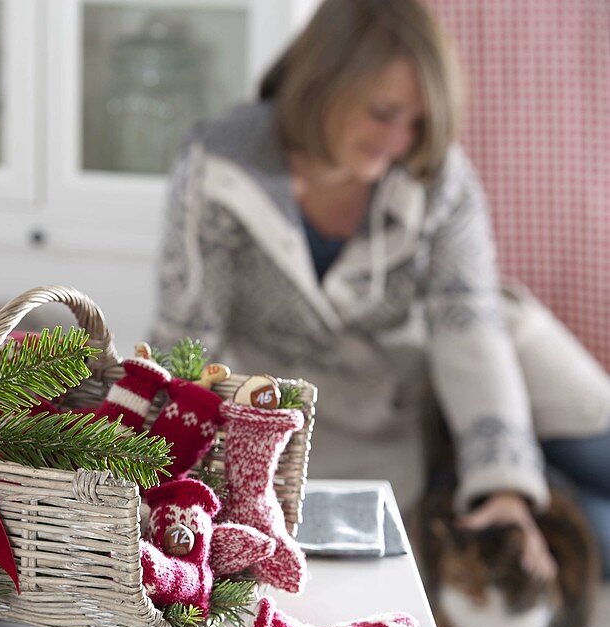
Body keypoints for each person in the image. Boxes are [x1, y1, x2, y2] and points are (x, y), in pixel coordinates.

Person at [150, 0, 610, 580]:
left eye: (417, 122)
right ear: (325, 82)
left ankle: (526, 471)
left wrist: (506, 485)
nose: (400, 140)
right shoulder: (218, 168)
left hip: (493, 376)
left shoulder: (440, 178)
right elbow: (188, 338)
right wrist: (165, 471)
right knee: (597, 539)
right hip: (363, 421)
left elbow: (468, 326)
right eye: (384, 112)